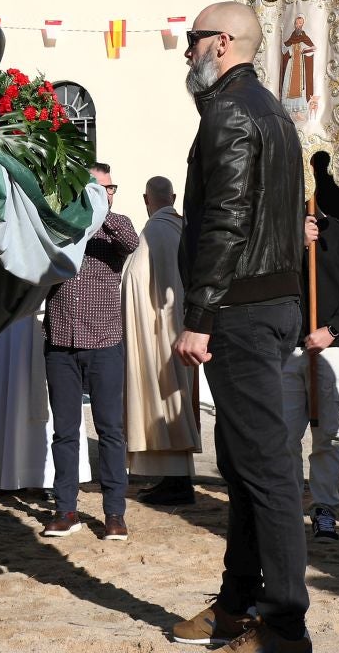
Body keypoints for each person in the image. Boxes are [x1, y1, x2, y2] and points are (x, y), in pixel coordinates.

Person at [168, 1, 310, 653]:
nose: (186, 50)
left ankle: (282, 627)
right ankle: (234, 608)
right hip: (267, 307)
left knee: (267, 472)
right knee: (245, 465)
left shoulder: (230, 112)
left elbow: (224, 221)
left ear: (222, 42)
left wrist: (200, 316)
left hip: (242, 313)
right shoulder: (272, 111)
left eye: (193, 39)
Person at [39, 162, 139, 541]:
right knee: (64, 432)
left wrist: (101, 210)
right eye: (96, 189)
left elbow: (132, 243)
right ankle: (66, 509)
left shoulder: (118, 227)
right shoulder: (61, 224)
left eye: (108, 188)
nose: (104, 194)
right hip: (60, 344)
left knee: (111, 431)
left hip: (104, 344)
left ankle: (114, 512)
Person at [283, 207, 339, 544]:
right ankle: (288, 509)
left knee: (329, 438)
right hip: (287, 349)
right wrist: (294, 244)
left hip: (331, 349)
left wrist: (331, 330)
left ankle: (324, 509)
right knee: (284, 437)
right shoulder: (276, 236)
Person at [123, 174, 199, 506]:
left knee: (170, 407)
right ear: (173, 196)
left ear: (145, 199)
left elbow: (160, 286)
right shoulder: (180, 228)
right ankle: (173, 480)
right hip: (175, 330)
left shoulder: (156, 230)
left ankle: (179, 484)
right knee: (172, 407)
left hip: (164, 334)